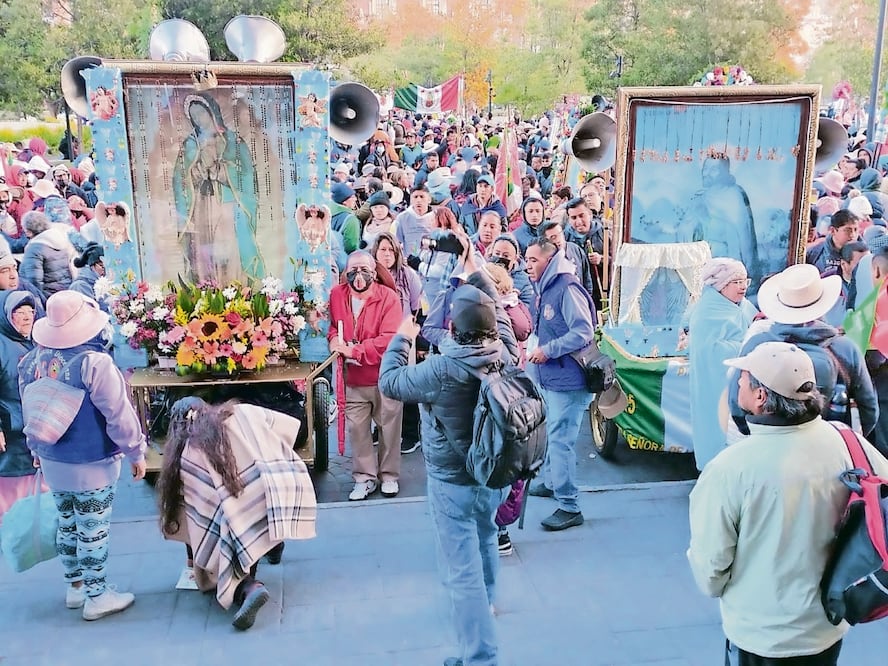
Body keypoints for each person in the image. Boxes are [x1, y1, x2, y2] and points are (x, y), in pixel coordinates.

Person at [687, 341, 888, 665]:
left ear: (760, 396)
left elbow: (710, 574)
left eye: (743, 377)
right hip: (827, 626)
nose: (737, 381)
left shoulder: (730, 469)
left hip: (761, 635)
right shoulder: (846, 442)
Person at [379, 247, 519, 666]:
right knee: (487, 536)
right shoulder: (505, 352)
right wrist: (475, 268)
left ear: (453, 329)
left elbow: (390, 381)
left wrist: (404, 335)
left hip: (451, 479)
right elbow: (501, 312)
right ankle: (490, 606)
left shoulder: (441, 370)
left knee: (463, 571)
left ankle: (480, 655)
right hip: (494, 470)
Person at [18, 291, 146, 620]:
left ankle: (75, 587)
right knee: (93, 527)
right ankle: (97, 595)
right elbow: (118, 415)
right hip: (91, 460)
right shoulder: (94, 363)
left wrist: (35, 450)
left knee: (68, 524)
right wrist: (136, 452)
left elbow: (30, 410)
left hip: (50, 457)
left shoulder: (31, 361)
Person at [157, 397, 317, 630]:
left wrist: (196, 565)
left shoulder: (186, 455)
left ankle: (249, 588)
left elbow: (191, 517)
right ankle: (273, 547)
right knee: (257, 510)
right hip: (277, 485)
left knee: (229, 543)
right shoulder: (238, 413)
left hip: (237, 513)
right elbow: (288, 426)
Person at [728, 263, 879, 445]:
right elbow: (868, 408)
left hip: (770, 444)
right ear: (823, 302)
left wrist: (754, 434)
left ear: (780, 302)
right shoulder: (844, 348)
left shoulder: (757, 344)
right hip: (829, 446)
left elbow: (737, 402)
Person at [524, 238, 596, 531]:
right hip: (555, 377)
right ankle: (553, 482)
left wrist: (548, 349)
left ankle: (569, 505)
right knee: (554, 432)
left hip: (569, 379)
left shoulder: (566, 288)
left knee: (561, 440)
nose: (527, 265)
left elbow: (583, 331)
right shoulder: (549, 286)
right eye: (526, 260)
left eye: (532, 260)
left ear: (549, 260)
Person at [328, 251, 403, 500]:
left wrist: (355, 350)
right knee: (358, 430)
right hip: (353, 378)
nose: (358, 275)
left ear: (374, 271)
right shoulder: (337, 295)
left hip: (385, 376)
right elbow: (332, 326)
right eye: (353, 269)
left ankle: (389, 475)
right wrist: (333, 340)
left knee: (389, 428)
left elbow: (389, 338)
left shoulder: (389, 297)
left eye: (364, 269)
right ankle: (364, 478)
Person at [172, 93, 265, 283]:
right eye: (194, 116)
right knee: (205, 249)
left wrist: (219, 171)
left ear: (212, 112)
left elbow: (246, 174)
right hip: (201, 206)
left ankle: (233, 289)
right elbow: (180, 178)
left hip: (228, 204)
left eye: (201, 114)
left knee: (228, 249)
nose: (198, 119)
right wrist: (197, 172)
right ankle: (208, 292)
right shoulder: (190, 145)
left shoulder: (232, 141)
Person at [687, 258, 757, 470]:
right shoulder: (706, 313)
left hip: (745, 384)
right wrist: (747, 347)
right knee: (716, 429)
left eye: (745, 280)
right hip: (716, 384)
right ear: (720, 285)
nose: (743, 286)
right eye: (736, 281)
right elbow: (710, 351)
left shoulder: (744, 306)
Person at [686, 156, 760, 281]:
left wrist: (747, 269)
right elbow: (687, 229)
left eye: (713, 170)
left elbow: (744, 233)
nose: (707, 174)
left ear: (725, 172)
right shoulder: (700, 197)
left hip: (726, 263)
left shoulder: (734, 195)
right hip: (702, 262)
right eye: (705, 169)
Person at [0, 291, 37, 521]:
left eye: (30, 312)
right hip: (11, 437)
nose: (27, 317)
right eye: (19, 312)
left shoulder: (35, 341)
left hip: (31, 435)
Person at [19, 210, 75, 299]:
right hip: (66, 291)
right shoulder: (59, 239)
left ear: (28, 231)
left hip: (48, 297)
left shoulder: (34, 248)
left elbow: (34, 281)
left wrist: (38, 302)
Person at [805, 209, 860, 274]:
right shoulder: (815, 253)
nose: (853, 235)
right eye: (848, 230)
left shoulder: (864, 255)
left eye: (855, 230)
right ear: (832, 230)